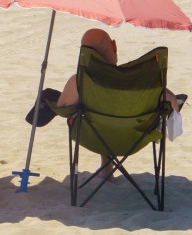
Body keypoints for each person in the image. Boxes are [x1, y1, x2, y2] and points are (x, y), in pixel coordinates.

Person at [56, 28, 183, 175]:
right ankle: (107, 168)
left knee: (98, 118)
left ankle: (106, 168)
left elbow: (62, 109)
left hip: (95, 137)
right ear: (114, 46)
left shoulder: (79, 83)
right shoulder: (144, 84)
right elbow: (173, 103)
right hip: (135, 140)